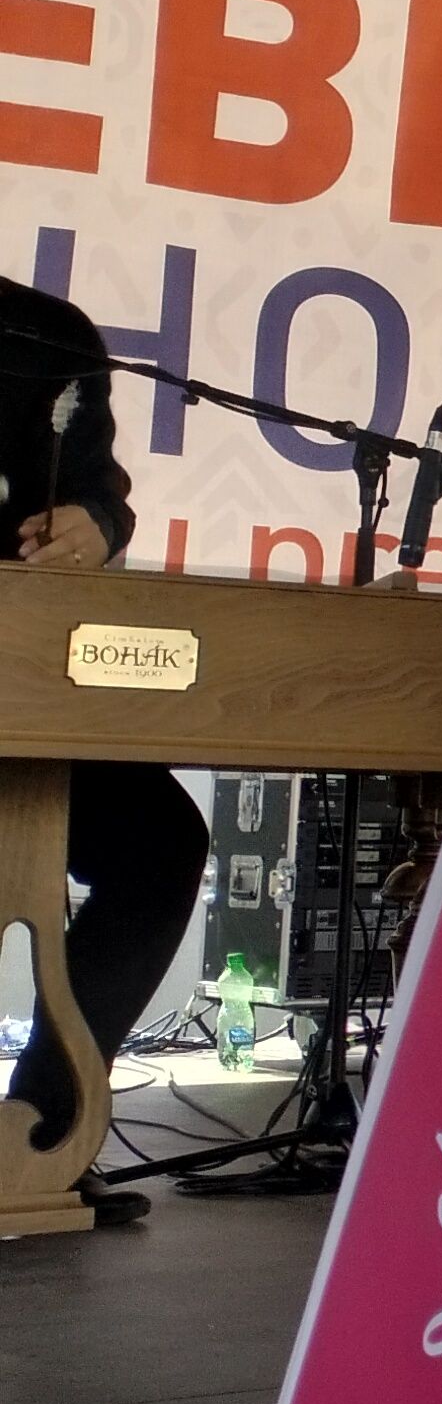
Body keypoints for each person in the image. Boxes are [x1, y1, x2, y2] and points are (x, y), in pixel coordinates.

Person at [1, 274, 214, 1232]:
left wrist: (97, 522)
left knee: (160, 842)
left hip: (23, 674)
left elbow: (97, 493)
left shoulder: (43, 331)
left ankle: (42, 1132)